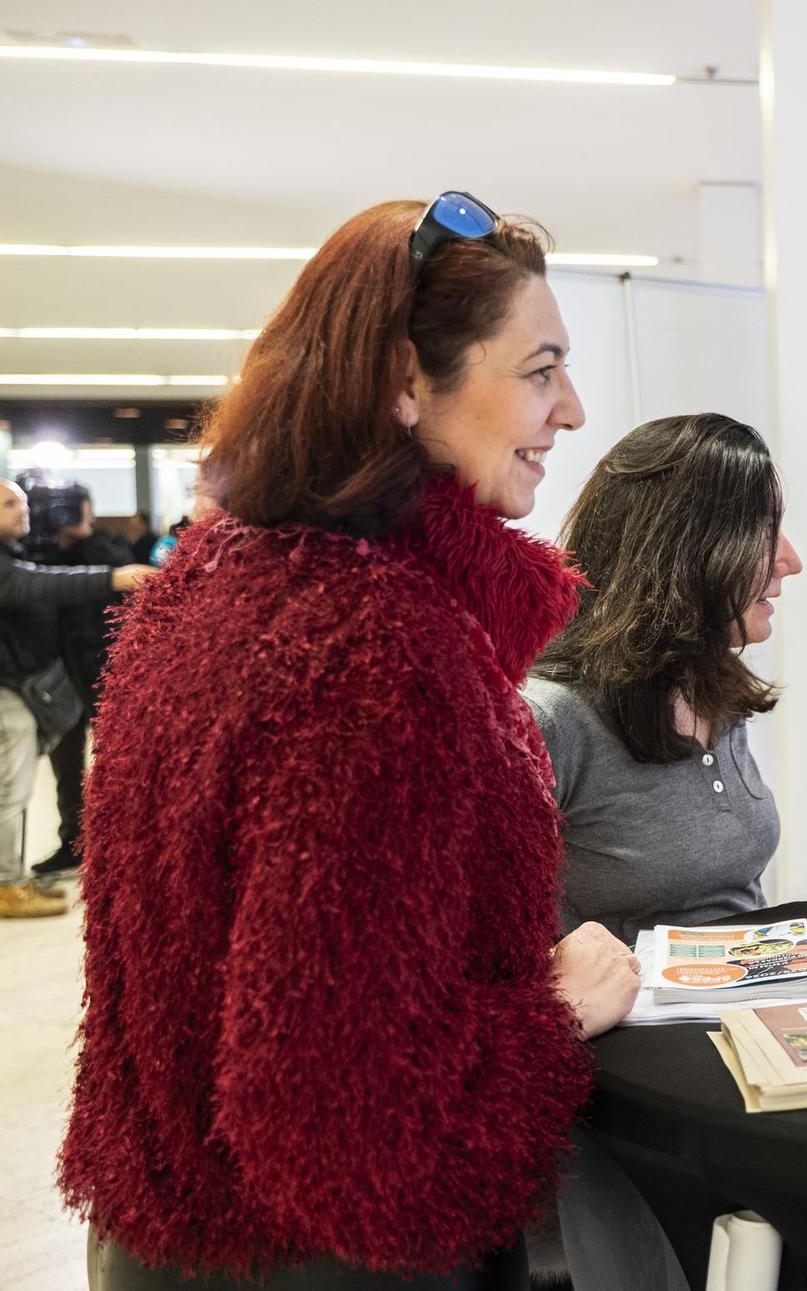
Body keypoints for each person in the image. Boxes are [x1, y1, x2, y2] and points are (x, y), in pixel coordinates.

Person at [60, 194, 640, 1289]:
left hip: (169, 1227)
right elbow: (342, 1104)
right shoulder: (377, 651)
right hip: (330, 1256)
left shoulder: (209, 581)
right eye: (539, 367)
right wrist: (549, 1014)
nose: (570, 409)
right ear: (405, 384)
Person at [526, 413, 803, 945]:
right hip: (632, 1024)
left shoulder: (713, 689)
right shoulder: (550, 718)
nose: (790, 560)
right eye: (763, 530)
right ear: (684, 550)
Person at [0, 482, 153, 919]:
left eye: (26, 504)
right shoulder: (16, 562)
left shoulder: (32, 550)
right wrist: (110, 577)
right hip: (22, 686)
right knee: (12, 789)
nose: (24, 513)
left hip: (71, 679)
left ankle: (13, 877)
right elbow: (36, 585)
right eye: (11, 505)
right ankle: (7, 883)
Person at [31, 491, 142, 879]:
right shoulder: (36, 555)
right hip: (58, 677)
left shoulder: (109, 549)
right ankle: (73, 842)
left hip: (107, 671)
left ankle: (121, 847)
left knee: (118, 764)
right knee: (67, 767)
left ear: (89, 510)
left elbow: (121, 586)